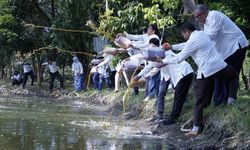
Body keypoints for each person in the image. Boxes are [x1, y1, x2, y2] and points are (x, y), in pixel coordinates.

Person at [161, 22, 238, 137]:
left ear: (187, 31)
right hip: (219, 67)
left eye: (183, 34)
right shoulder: (202, 34)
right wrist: (171, 47)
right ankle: (231, 99)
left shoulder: (192, 40)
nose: (183, 36)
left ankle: (196, 128)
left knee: (199, 102)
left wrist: (162, 61)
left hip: (206, 72)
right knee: (234, 74)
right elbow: (185, 45)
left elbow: (179, 58)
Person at [194, 4, 249, 105]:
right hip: (227, 51)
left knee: (231, 73)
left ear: (204, 13)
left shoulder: (214, 15)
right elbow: (211, 41)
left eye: (198, 16)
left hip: (236, 45)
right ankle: (222, 101)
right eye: (195, 17)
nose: (197, 19)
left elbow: (212, 35)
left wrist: (197, 39)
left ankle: (230, 100)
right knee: (223, 74)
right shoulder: (206, 24)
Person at [154, 50, 193, 125]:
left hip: (183, 73)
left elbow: (158, 65)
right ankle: (176, 115)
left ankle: (173, 118)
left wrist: (157, 60)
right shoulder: (165, 55)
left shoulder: (167, 54)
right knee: (179, 95)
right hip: (186, 72)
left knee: (178, 96)